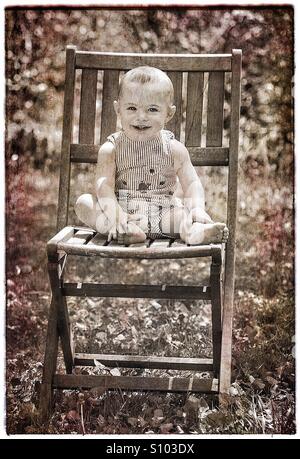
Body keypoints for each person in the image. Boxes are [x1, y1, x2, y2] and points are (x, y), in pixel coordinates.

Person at [75, 66, 228, 245]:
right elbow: (104, 185)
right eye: (132, 108)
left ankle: (196, 232)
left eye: (152, 110)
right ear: (118, 109)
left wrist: (197, 209)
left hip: (164, 214)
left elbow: (192, 183)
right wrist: (117, 216)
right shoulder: (111, 149)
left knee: (183, 218)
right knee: (84, 203)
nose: (141, 117)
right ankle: (127, 232)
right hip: (122, 213)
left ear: (169, 113)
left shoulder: (174, 149)